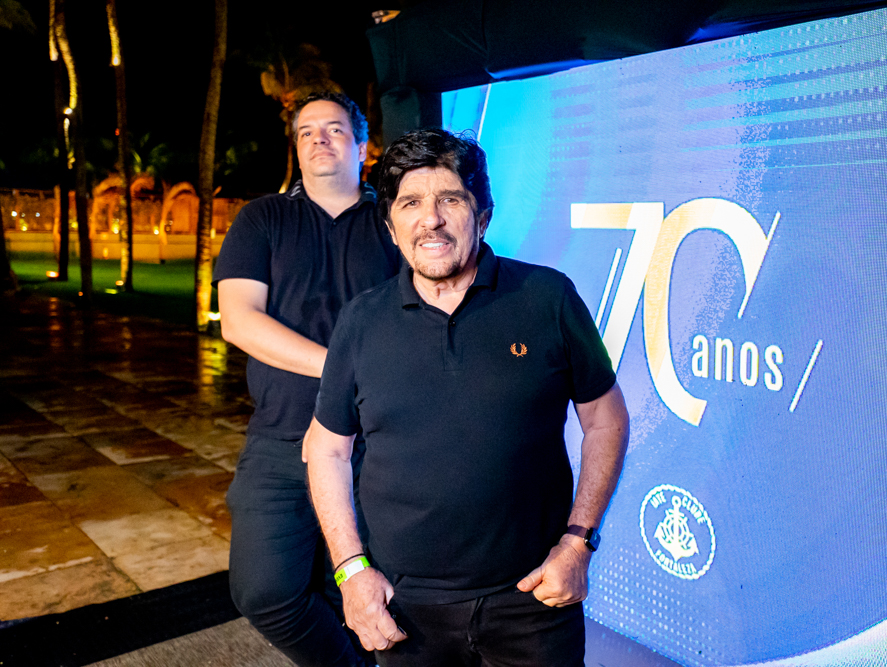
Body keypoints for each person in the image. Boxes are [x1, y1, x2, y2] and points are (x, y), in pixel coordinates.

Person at [303, 128, 630, 666]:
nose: (430, 220)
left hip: (533, 598)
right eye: (410, 203)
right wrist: (350, 571)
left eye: (451, 200)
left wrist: (578, 543)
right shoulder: (360, 321)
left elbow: (606, 421)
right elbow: (327, 449)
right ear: (390, 227)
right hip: (404, 607)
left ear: (483, 217)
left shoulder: (548, 297)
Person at [214, 91, 399, 667]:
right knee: (264, 591)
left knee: (380, 593)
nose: (319, 138)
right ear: (295, 148)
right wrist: (338, 368)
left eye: (335, 129)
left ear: (363, 147)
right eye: (306, 131)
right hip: (282, 439)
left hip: (379, 444)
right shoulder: (263, 218)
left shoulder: (395, 219)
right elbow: (239, 320)